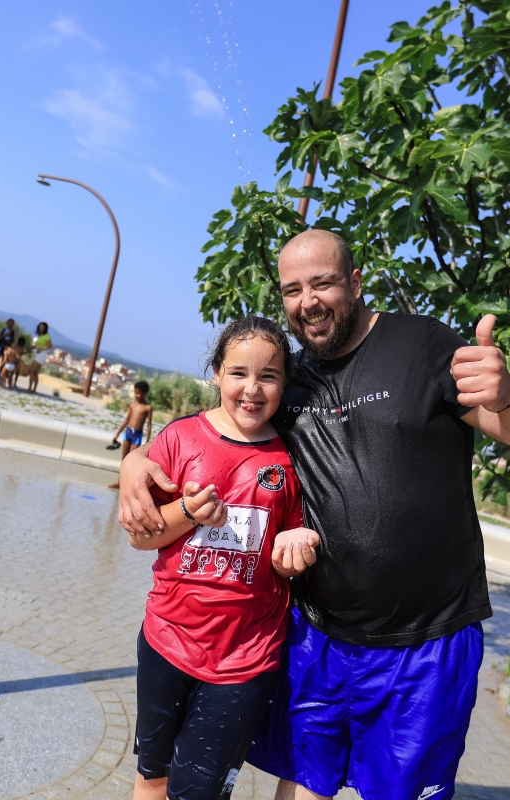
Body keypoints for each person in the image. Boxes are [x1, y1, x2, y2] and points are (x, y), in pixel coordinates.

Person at [119, 229, 510, 800]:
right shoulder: (291, 376)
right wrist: (137, 461)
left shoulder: (423, 344)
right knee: (303, 783)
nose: (308, 302)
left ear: (354, 282)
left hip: (425, 641)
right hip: (318, 635)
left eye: (322, 283)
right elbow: (218, 429)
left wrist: (507, 396)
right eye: (293, 290)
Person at [126, 316, 322, 800]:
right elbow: (141, 539)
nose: (251, 389)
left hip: (244, 660)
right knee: (152, 776)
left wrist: (291, 556)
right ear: (216, 373)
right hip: (166, 639)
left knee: (199, 793)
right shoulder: (179, 439)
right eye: (238, 373)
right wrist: (189, 511)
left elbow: (280, 557)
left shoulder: (290, 460)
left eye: (269, 376)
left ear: (285, 382)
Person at [108, 380, 154, 489]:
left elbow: (149, 425)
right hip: (128, 433)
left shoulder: (148, 408)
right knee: (124, 460)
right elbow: (126, 420)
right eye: (135, 393)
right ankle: (119, 482)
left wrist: (147, 441)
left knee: (133, 461)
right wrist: (117, 434)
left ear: (145, 393)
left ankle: (129, 485)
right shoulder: (132, 405)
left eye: (138, 393)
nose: (136, 395)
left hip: (137, 435)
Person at [27, 321, 52, 393]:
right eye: (40, 327)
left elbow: (50, 346)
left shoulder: (47, 336)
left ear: (45, 328)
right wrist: (32, 348)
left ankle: (30, 388)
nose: (41, 329)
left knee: (32, 371)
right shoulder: (40, 336)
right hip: (37, 353)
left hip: (41, 354)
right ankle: (33, 389)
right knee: (35, 372)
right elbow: (38, 345)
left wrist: (42, 349)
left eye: (42, 328)